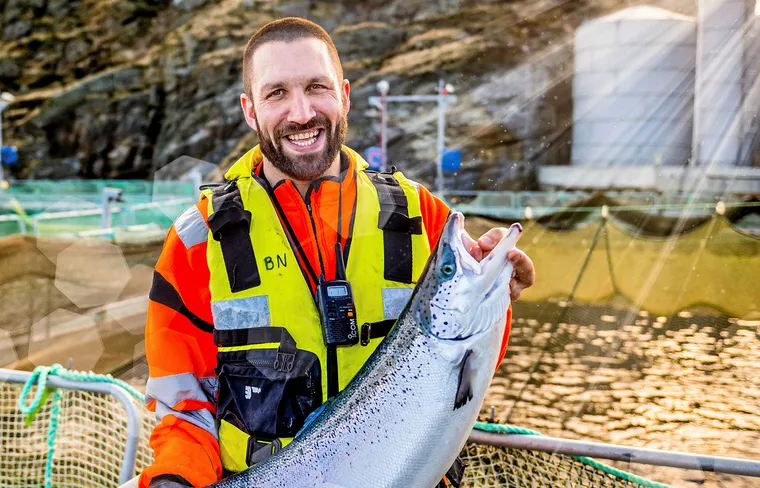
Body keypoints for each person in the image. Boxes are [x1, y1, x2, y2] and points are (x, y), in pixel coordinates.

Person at [139, 17, 536, 488]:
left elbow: (459, 362)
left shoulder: (421, 214)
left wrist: (499, 294)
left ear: (344, 95)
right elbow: (183, 408)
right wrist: (173, 480)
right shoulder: (197, 239)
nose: (302, 112)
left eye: (316, 87)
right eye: (277, 94)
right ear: (250, 110)